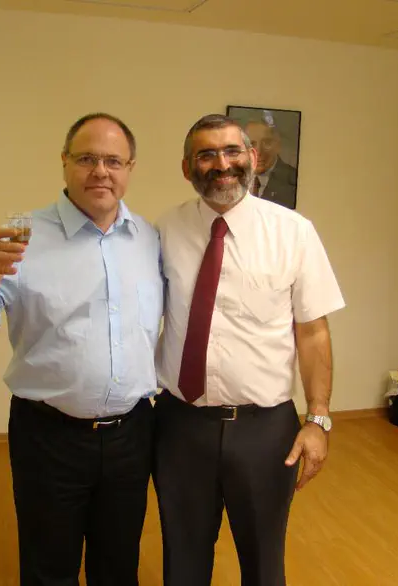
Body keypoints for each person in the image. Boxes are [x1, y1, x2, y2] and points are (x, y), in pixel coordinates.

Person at [0, 113, 163, 586]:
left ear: (130, 168)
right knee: (49, 567)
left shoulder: (148, 239)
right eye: (87, 159)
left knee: (118, 564)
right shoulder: (23, 237)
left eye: (113, 161)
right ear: (64, 162)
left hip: (132, 435)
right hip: (49, 437)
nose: (100, 171)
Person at [153, 113, 345, 586]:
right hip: (180, 426)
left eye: (232, 151)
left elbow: (313, 333)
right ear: (187, 168)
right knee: (182, 559)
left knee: (263, 563)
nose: (222, 164)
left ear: (253, 158)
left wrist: (318, 419)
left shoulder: (293, 232)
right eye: (206, 154)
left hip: (264, 430)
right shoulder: (164, 231)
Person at [243, 119, 298, 209]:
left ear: (278, 145)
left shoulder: (293, 180)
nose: (258, 152)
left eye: (266, 143)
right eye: (251, 144)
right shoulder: (233, 177)